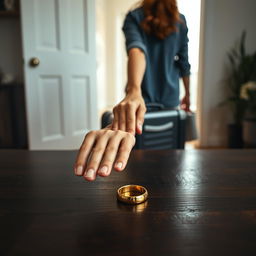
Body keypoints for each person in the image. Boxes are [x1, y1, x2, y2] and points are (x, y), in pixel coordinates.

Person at [74, 0, 190, 181]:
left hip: (142, 100)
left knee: (138, 155)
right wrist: (187, 95)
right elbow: (182, 62)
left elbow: (137, 49)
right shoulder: (179, 21)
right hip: (165, 98)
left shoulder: (135, 16)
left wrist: (135, 90)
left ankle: (141, 183)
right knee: (170, 155)